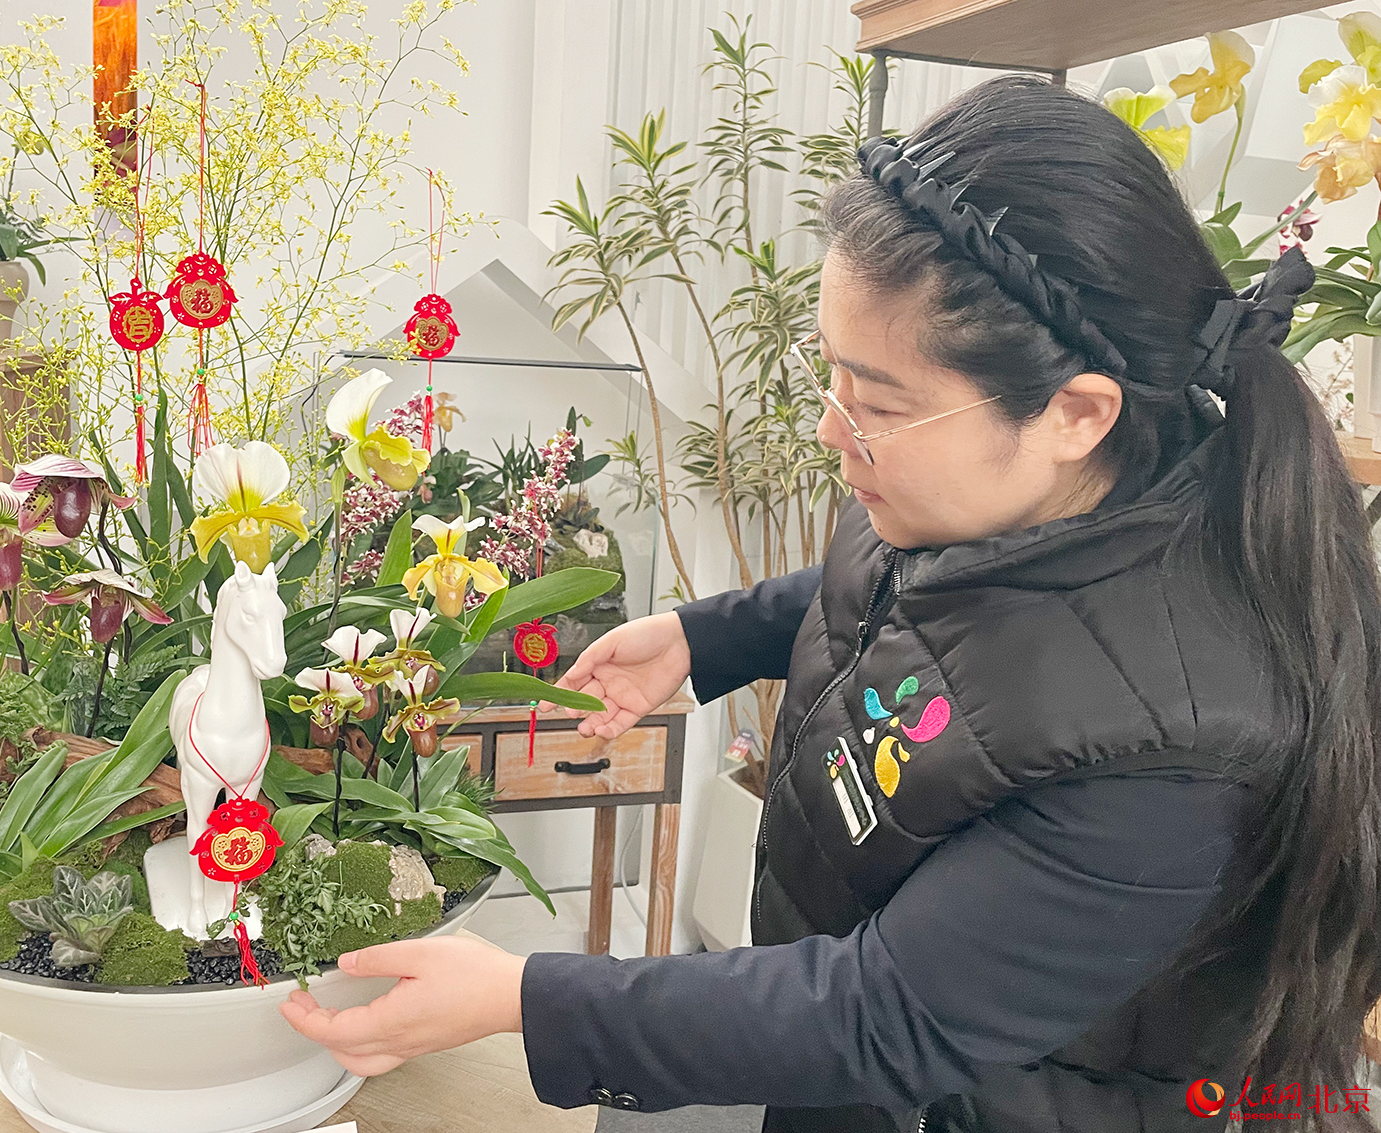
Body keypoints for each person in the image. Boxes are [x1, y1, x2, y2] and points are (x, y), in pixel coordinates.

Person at [280, 74, 1381, 1133]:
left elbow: (883, 1011)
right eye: (832, 378)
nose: (828, 430)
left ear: (1073, 413)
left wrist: (530, 998)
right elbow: (916, 615)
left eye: (876, 400)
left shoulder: (1176, 753)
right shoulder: (972, 495)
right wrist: (704, 635)